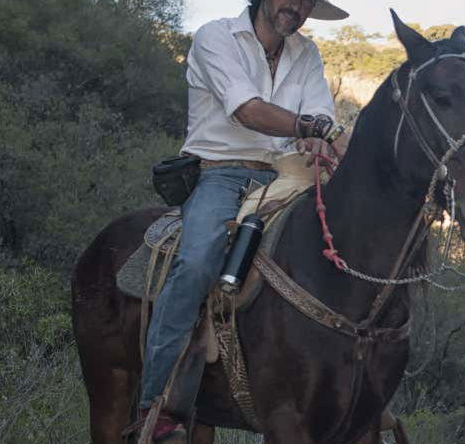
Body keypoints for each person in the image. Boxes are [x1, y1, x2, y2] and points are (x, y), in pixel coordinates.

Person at [135, 0, 350, 440]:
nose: (298, 7)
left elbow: (320, 117)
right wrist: (317, 131)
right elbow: (247, 111)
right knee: (196, 263)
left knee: (339, 250)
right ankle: (154, 404)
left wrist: (320, 141)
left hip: (285, 174)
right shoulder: (216, 37)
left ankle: (346, 390)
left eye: (308, 1)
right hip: (220, 172)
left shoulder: (306, 54)